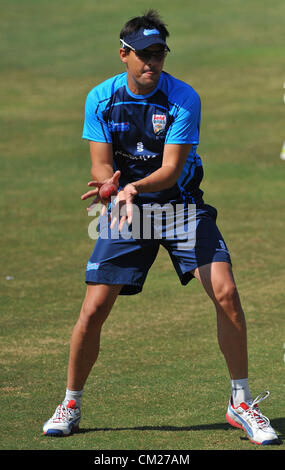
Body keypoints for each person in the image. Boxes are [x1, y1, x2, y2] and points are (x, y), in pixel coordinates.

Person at [43, 10, 278, 445]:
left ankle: (240, 403)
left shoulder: (183, 98)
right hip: (124, 212)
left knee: (226, 292)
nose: (152, 62)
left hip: (181, 209)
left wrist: (132, 187)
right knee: (93, 309)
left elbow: (171, 170)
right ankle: (71, 404)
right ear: (123, 55)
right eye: (143, 54)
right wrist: (113, 187)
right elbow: (100, 163)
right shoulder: (100, 98)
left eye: (159, 54)